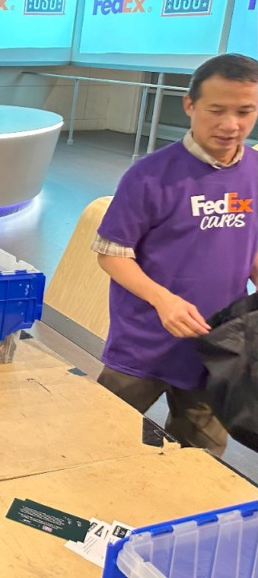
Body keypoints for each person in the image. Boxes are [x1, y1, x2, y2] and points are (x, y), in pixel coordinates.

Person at [93, 53, 258, 457]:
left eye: (245, 111)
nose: (230, 124)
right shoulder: (149, 175)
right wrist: (162, 300)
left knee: (200, 461)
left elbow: (250, 246)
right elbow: (112, 255)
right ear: (190, 105)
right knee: (93, 442)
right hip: (142, 346)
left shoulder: (255, 169)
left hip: (217, 349)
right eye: (216, 110)